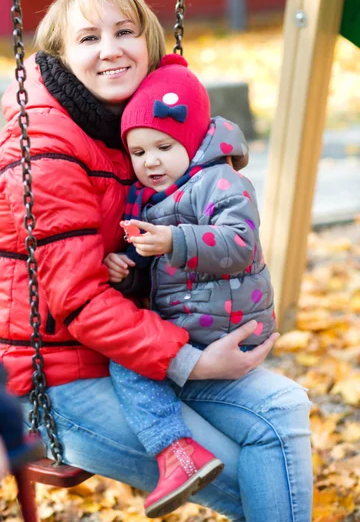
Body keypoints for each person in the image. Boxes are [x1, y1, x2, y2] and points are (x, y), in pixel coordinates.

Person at [0, 0, 313, 522]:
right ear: (61, 55)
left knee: (284, 409)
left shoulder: (129, 124)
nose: (111, 49)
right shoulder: (45, 148)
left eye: (124, 31)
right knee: (254, 475)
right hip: (62, 375)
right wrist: (191, 361)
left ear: (148, 40)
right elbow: (77, 302)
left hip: (133, 352)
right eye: (89, 38)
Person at [104, 53, 278, 517]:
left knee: (129, 362)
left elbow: (240, 244)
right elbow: (165, 270)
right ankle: (179, 451)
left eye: (163, 146)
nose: (151, 162)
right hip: (199, 315)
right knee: (134, 346)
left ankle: (173, 449)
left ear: (193, 140)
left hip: (226, 322)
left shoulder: (221, 180)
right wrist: (130, 267)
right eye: (138, 153)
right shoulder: (155, 197)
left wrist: (173, 240)